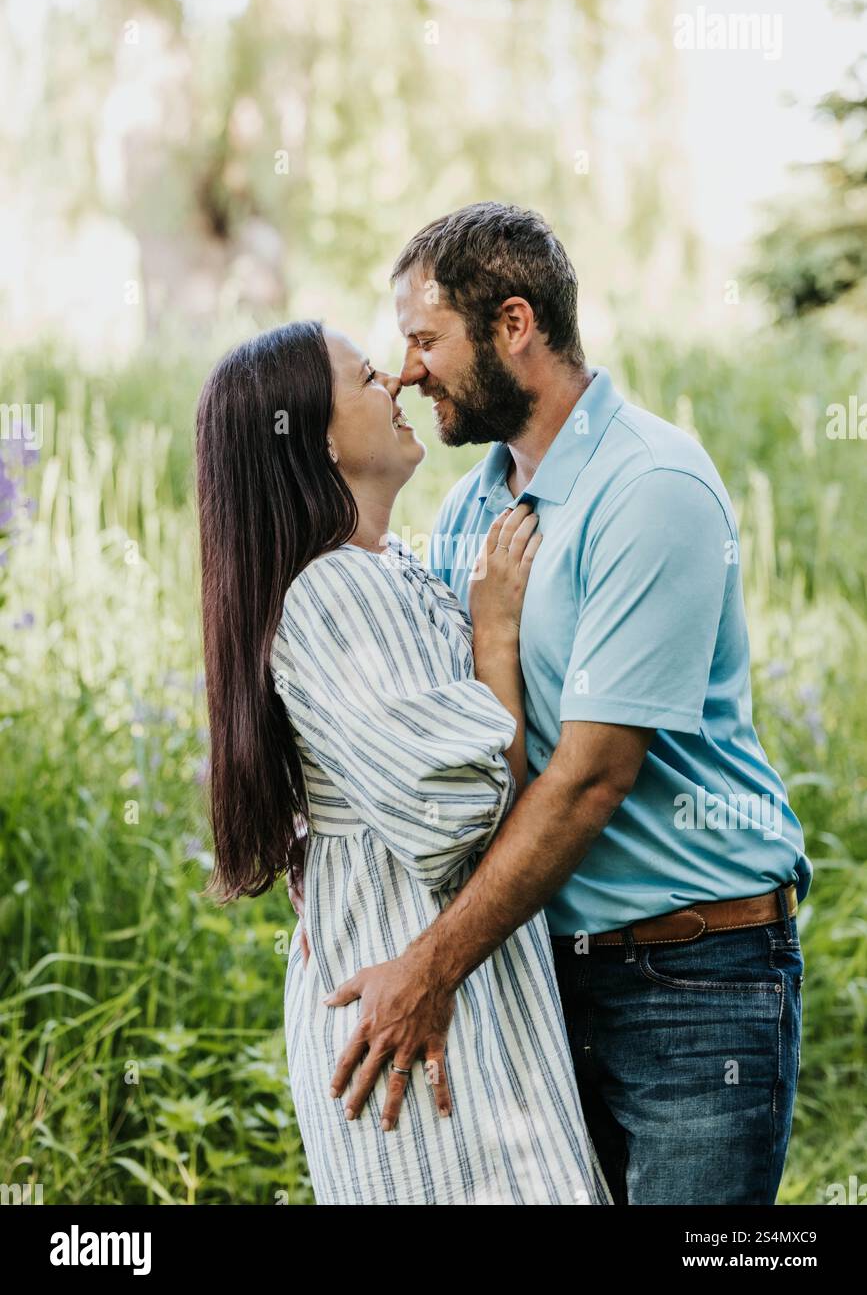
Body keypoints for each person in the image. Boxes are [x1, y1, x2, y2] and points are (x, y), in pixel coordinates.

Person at [319, 202, 813, 1206]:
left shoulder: (651, 486)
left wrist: (429, 966)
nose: (408, 370)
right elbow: (452, 736)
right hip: (542, 977)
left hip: (695, 980)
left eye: (425, 340)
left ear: (513, 326)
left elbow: (591, 779)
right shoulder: (471, 506)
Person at [195, 318, 611, 1206]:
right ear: (313, 438)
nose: (397, 385)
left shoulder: (380, 570)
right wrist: (494, 634)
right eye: (367, 378)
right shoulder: (336, 586)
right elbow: (456, 805)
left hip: (427, 962)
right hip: (407, 985)